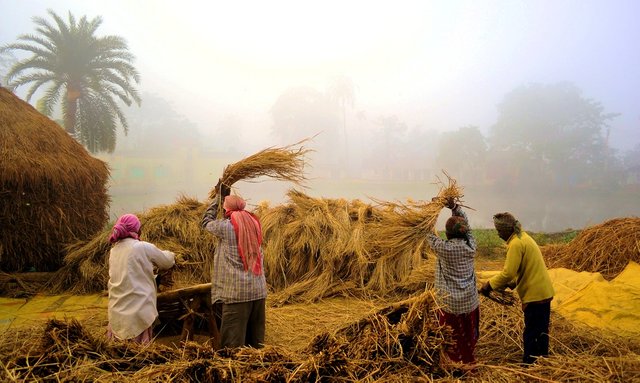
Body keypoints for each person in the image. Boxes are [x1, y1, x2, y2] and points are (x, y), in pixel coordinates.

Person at [479, 212, 555, 365]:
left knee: (531, 333)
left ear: (507, 230)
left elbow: (508, 273)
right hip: (543, 291)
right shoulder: (523, 237)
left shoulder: (515, 244)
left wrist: (489, 285)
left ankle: (529, 365)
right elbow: (522, 269)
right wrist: (512, 283)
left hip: (535, 294)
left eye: (499, 231)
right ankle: (543, 363)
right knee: (541, 331)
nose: (498, 234)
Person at [201, 183, 267, 349]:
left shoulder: (226, 227)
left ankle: (235, 375)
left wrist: (217, 198)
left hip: (237, 295)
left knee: (232, 347)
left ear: (226, 211)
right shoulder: (254, 224)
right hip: (258, 292)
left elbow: (205, 222)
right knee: (255, 344)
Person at [107, 213, 175, 344]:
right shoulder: (141, 247)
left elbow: (129, 275)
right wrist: (173, 255)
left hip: (116, 312)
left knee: (119, 355)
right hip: (138, 312)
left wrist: (155, 278)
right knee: (139, 355)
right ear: (137, 230)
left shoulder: (114, 251)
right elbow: (166, 261)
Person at [427, 197, 480, 366]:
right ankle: (468, 356)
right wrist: (455, 207)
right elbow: (468, 228)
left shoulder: (443, 248)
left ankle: (454, 362)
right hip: (469, 301)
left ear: (448, 234)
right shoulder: (471, 246)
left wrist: (430, 212)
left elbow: (425, 233)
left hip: (450, 304)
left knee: (452, 335)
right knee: (467, 332)